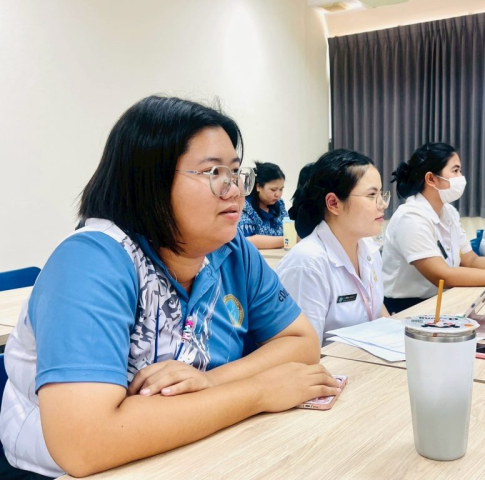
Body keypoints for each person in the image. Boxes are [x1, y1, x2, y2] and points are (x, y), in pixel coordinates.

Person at [0, 96, 339, 479]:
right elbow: (84, 444)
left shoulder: (233, 250)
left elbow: (301, 343)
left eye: (235, 172)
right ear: (149, 181)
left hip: (196, 448)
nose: (235, 191)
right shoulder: (90, 261)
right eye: (213, 172)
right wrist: (259, 390)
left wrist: (211, 381)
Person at [382, 143, 485, 313]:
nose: (461, 177)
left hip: (443, 299)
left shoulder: (449, 212)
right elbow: (443, 276)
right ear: (431, 179)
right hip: (408, 308)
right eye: (455, 171)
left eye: (460, 171)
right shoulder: (410, 217)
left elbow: (471, 261)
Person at [276, 149, 390, 345]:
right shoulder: (308, 263)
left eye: (381, 194)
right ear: (333, 203)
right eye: (372, 195)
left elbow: (377, 312)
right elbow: (302, 350)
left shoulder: (369, 249)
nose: (383, 204)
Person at [238, 161, 288, 249]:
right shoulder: (245, 206)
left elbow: (288, 229)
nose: (278, 194)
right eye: (273, 190)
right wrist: (287, 240)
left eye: (281, 189)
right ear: (258, 187)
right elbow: (248, 240)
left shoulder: (279, 204)